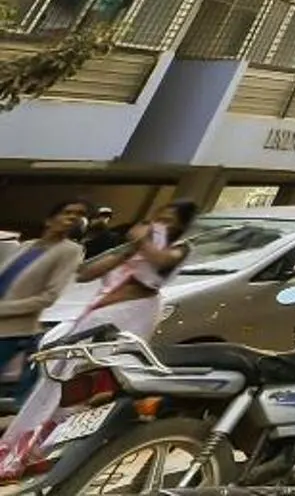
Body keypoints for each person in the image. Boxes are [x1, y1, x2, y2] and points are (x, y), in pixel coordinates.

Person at [0, 202, 196, 476]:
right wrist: (129, 247)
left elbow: (161, 261)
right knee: (55, 378)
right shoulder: (135, 247)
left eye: (169, 219)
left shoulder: (177, 249)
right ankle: (22, 448)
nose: (161, 222)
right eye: (160, 216)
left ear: (181, 225)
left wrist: (144, 237)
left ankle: (47, 450)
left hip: (124, 320)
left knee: (82, 383)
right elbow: (87, 274)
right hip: (94, 316)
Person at [0, 203, 91, 413]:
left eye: (78, 215)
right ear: (49, 220)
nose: (72, 218)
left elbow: (47, 298)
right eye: (67, 213)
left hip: (13, 328)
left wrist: (4, 310)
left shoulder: (70, 251)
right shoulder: (27, 246)